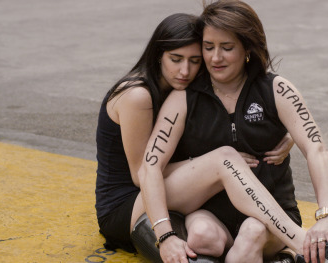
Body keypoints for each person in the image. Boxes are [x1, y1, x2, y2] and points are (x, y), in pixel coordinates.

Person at [136, 1, 328, 263]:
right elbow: (151, 166)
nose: (215, 57)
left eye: (227, 48)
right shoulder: (184, 99)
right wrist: (165, 235)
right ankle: (306, 251)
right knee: (200, 234)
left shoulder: (276, 89)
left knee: (252, 232)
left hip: (274, 218)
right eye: (208, 47)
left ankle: (295, 248)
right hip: (211, 214)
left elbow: (316, 148)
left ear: (247, 48)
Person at [95, 12, 292, 262]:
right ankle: (302, 242)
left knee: (209, 233)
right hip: (127, 206)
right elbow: (139, 175)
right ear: (157, 56)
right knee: (223, 161)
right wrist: (209, 167)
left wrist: (284, 133)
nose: (185, 70)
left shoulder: (183, 90)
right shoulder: (137, 96)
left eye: (195, 60)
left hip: (168, 195)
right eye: (175, 59)